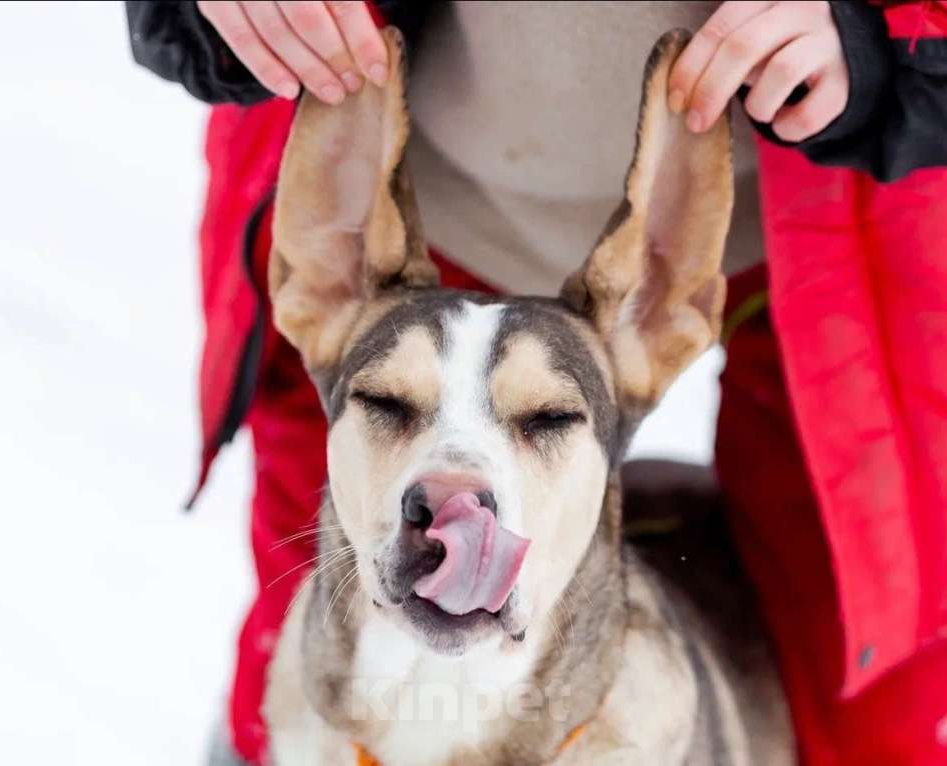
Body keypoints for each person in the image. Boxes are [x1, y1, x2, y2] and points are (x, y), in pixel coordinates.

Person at [124, 2, 947, 764]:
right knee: (278, 687)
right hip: (412, 205)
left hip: (834, 233)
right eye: (387, 403)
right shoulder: (346, 310)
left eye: (545, 419)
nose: (453, 493)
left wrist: (902, 33)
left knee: (881, 724)